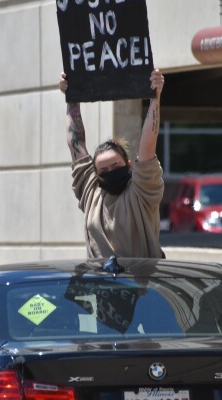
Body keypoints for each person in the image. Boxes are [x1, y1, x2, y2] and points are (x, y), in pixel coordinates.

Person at [60, 69, 165, 259]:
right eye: (104, 170)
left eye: (116, 166)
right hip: (100, 285)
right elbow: (75, 144)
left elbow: (148, 146)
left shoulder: (142, 191)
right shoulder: (91, 192)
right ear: (95, 174)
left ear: (130, 165)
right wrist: (72, 97)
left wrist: (155, 98)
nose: (111, 172)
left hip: (142, 285)